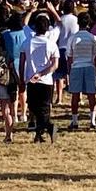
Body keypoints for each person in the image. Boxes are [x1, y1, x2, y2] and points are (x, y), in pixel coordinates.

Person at [20, 14, 59, 143]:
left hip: (31, 79)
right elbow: (55, 65)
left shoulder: (27, 42)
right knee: (44, 108)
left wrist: (21, 79)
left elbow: (21, 63)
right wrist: (42, 74)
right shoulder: (51, 44)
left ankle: (42, 130)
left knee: (34, 107)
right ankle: (42, 131)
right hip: (46, 81)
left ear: (35, 28)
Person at [66, 13, 96, 130]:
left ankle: (74, 121)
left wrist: (69, 71)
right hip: (89, 66)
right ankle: (92, 121)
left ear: (78, 23)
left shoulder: (73, 38)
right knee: (91, 95)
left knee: (75, 95)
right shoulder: (92, 38)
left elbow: (69, 57)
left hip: (76, 67)